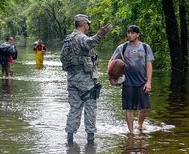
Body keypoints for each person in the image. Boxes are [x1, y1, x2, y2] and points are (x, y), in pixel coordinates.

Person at [62, 14, 112, 143]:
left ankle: (70, 138)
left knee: (74, 108)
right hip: (85, 80)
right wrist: (100, 34)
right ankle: (90, 139)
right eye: (88, 24)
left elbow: (63, 58)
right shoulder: (80, 37)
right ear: (84, 24)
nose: (89, 26)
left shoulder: (68, 39)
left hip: (72, 79)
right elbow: (89, 43)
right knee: (90, 107)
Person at [109, 25, 154, 133]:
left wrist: (148, 82)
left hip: (142, 81)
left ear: (138, 34)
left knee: (144, 107)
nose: (130, 35)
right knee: (128, 108)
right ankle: (131, 132)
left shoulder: (145, 47)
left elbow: (149, 65)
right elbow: (111, 62)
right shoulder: (122, 48)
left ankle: (140, 125)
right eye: (128, 32)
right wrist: (111, 77)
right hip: (127, 82)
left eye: (132, 33)